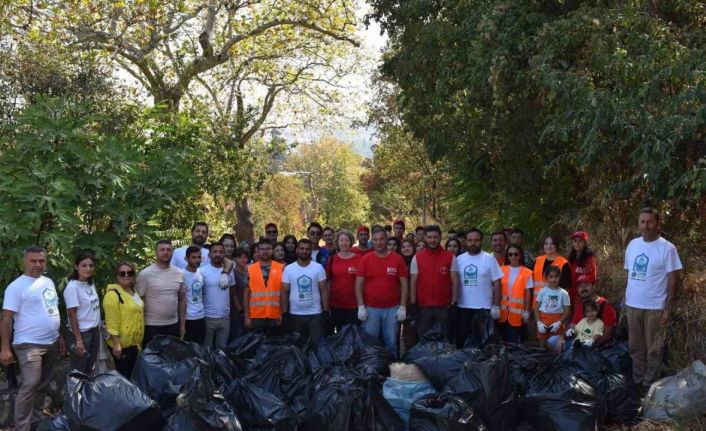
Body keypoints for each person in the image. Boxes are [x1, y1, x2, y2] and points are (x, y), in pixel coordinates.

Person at [1, 247, 64, 431]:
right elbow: (6, 319)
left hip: (51, 342)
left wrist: (59, 335)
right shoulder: (16, 287)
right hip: (29, 344)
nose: (38, 264)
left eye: (41, 261)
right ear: (24, 262)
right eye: (33, 261)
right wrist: (4, 348)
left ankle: (35, 423)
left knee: (43, 384)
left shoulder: (48, 281)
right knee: (30, 383)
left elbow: (51, 309)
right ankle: (22, 427)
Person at [624, 207, 682, 390]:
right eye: (642, 221)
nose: (646, 226)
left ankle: (649, 388)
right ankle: (637, 383)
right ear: (638, 224)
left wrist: (667, 309)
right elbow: (629, 274)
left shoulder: (667, 248)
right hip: (633, 306)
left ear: (658, 224)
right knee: (636, 349)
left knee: (654, 351)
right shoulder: (633, 245)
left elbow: (674, 281)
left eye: (650, 222)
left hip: (655, 308)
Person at [355, 227, 409, 356]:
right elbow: (358, 284)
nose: (379, 243)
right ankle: (371, 371)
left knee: (391, 343)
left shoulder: (397, 259)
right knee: (370, 344)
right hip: (371, 309)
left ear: (386, 240)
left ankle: (392, 371)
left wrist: (402, 306)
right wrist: (361, 306)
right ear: (372, 241)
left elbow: (404, 284)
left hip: (392, 309)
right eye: (375, 240)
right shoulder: (366, 259)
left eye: (381, 239)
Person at [455, 228, 503, 348]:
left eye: (476, 240)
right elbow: (454, 282)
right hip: (463, 308)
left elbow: (497, 283)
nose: (473, 243)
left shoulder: (489, 258)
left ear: (481, 241)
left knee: (484, 344)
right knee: (463, 343)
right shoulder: (459, 259)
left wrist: (496, 305)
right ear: (466, 241)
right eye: (470, 240)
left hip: (484, 309)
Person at [410, 225, 459, 339]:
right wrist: (413, 303)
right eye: (430, 237)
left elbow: (455, 281)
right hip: (423, 308)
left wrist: (454, 303)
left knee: (445, 341)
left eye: (435, 237)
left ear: (440, 237)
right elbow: (413, 282)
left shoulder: (450, 257)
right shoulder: (417, 257)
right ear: (425, 238)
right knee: (423, 340)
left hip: (444, 308)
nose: (432, 240)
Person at [136, 240, 186, 347]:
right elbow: (138, 302)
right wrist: (139, 329)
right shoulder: (145, 274)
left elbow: (182, 300)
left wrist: (182, 325)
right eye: (162, 249)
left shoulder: (179, 273)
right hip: (151, 326)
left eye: (169, 250)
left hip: (173, 325)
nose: (166, 252)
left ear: (172, 252)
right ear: (156, 253)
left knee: (171, 359)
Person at [281, 239, 329, 347]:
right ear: (297, 250)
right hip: (295, 314)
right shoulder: (288, 269)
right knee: (298, 347)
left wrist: (326, 311)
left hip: (315, 314)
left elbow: (324, 290)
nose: (304, 251)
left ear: (311, 251)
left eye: (307, 249)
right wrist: (284, 313)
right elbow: (284, 292)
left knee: (316, 346)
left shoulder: (318, 268)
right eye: (301, 248)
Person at [103, 262, 144, 378]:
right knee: (124, 376)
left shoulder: (133, 292)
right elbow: (112, 322)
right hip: (122, 345)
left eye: (129, 273)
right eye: (122, 273)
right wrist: (116, 344)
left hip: (133, 343)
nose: (126, 275)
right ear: (117, 276)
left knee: (132, 374)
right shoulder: (112, 295)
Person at [64, 252, 101, 374]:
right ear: (76, 266)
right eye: (84, 265)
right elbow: (72, 315)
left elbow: (93, 307)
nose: (88, 268)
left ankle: (86, 393)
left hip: (94, 331)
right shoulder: (72, 287)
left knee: (90, 369)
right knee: (79, 372)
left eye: (91, 265)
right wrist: (78, 340)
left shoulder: (90, 283)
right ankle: (75, 394)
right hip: (81, 335)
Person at [244, 239, 284, 333]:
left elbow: (283, 293)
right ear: (258, 250)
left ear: (272, 250)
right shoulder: (250, 269)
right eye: (262, 249)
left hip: (275, 315)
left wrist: (282, 314)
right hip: (256, 316)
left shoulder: (281, 268)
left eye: (268, 249)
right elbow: (246, 293)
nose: (265, 251)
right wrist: (247, 316)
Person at [327, 229, 362, 332]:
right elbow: (328, 282)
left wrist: (362, 304)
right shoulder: (332, 259)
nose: (344, 243)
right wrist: (327, 303)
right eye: (341, 240)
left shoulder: (360, 259)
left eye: (347, 240)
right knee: (340, 334)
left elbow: (363, 283)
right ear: (337, 242)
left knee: (353, 334)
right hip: (336, 304)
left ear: (351, 242)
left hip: (354, 305)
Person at [498, 245, 533, 344]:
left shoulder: (527, 272)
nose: (513, 257)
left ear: (520, 256)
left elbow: (528, 293)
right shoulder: (501, 270)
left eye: (516, 254)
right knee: (501, 341)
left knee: (512, 342)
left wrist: (527, 311)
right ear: (507, 256)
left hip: (517, 314)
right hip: (502, 313)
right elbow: (496, 288)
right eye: (510, 254)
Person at [201, 242, 233, 350]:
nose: (218, 254)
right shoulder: (202, 271)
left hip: (225, 317)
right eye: (215, 252)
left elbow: (232, 290)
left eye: (220, 252)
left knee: (222, 349)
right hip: (208, 317)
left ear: (224, 254)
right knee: (207, 349)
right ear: (209, 255)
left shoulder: (229, 271)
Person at [534, 265, 571, 350]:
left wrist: (559, 323)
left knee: (554, 348)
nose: (553, 279)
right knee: (542, 349)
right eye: (551, 276)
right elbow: (536, 308)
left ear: (560, 277)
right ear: (546, 277)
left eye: (556, 276)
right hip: (543, 320)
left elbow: (567, 311)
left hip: (557, 322)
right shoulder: (542, 291)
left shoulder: (564, 293)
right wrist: (539, 323)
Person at [532, 234, 571, 307]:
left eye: (552, 244)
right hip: (536, 305)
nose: (548, 246)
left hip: (554, 307)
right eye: (546, 244)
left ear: (557, 245)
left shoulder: (564, 263)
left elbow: (566, 289)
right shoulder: (537, 260)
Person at [568, 230, 598, 309]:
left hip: (582, 296)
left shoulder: (589, 259)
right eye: (575, 241)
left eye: (580, 241)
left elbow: (592, 278)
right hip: (570, 294)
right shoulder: (571, 258)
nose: (577, 243)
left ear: (585, 243)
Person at [182, 246, 205, 344]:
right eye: (194, 257)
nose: (197, 260)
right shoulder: (181, 275)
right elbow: (180, 299)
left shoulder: (200, 272)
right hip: (188, 319)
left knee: (200, 348)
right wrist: (182, 324)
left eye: (199, 257)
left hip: (201, 317)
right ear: (186, 259)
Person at [229, 247, 249, 342]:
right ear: (235, 259)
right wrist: (240, 310)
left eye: (245, 257)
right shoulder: (232, 272)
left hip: (249, 307)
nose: (243, 259)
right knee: (238, 334)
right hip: (237, 309)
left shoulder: (249, 271)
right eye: (240, 257)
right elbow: (233, 294)